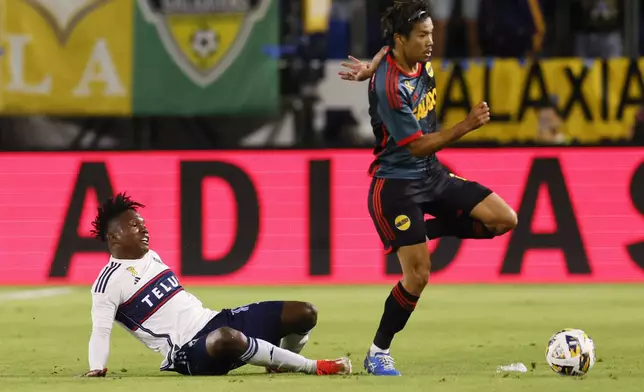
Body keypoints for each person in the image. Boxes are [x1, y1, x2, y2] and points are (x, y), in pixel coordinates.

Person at [339, 0, 517, 376]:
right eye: (422, 35)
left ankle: (414, 235)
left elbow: (386, 48)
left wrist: (372, 60)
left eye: (432, 33)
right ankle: (378, 352)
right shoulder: (389, 86)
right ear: (403, 39)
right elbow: (416, 144)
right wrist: (465, 126)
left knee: (503, 219)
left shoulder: (407, 54)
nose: (430, 42)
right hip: (397, 185)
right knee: (418, 275)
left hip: (432, 174)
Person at [83, 192, 351, 377]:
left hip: (215, 321)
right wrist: (97, 366)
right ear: (114, 238)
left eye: (143, 224)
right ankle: (310, 366)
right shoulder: (107, 283)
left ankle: (279, 363)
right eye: (134, 225)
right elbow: (101, 331)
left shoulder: (151, 256)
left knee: (305, 312)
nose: (144, 229)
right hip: (188, 351)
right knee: (226, 338)